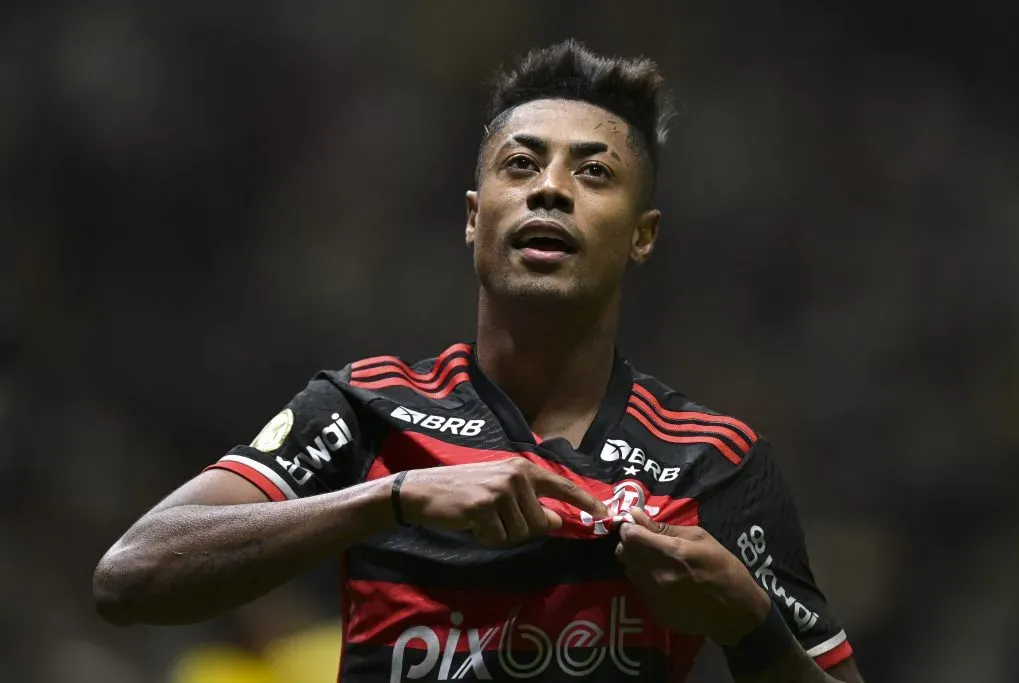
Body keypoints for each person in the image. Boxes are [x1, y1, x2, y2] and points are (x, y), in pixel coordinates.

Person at [93, 39, 865, 683]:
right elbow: (129, 575)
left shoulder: (715, 461)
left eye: (594, 173)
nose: (551, 190)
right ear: (474, 216)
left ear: (643, 234)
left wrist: (749, 623)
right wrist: (395, 496)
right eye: (521, 165)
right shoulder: (363, 408)